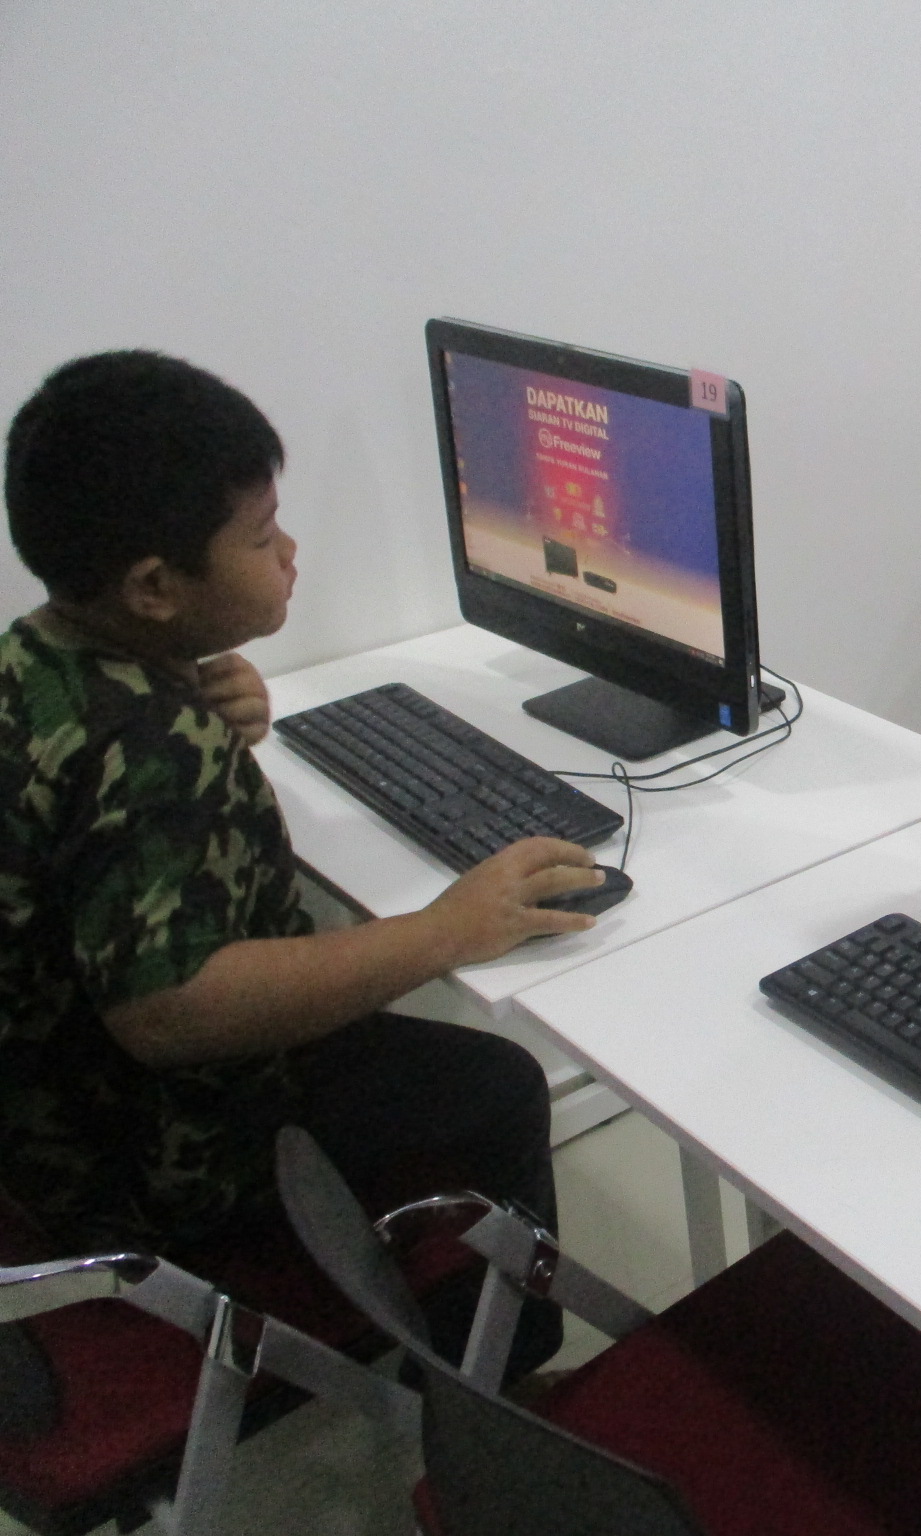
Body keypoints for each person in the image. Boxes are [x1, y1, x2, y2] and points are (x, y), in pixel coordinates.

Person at [1, 351, 608, 1372]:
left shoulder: (39, 660)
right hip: (150, 1161)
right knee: (496, 1085)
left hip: (42, 1126)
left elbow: (95, 816)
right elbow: (169, 1010)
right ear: (153, 587)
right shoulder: (151, 748)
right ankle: (496, 1387)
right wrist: (442, 931)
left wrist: (187, 692)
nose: (288, 551)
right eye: (259, 536)